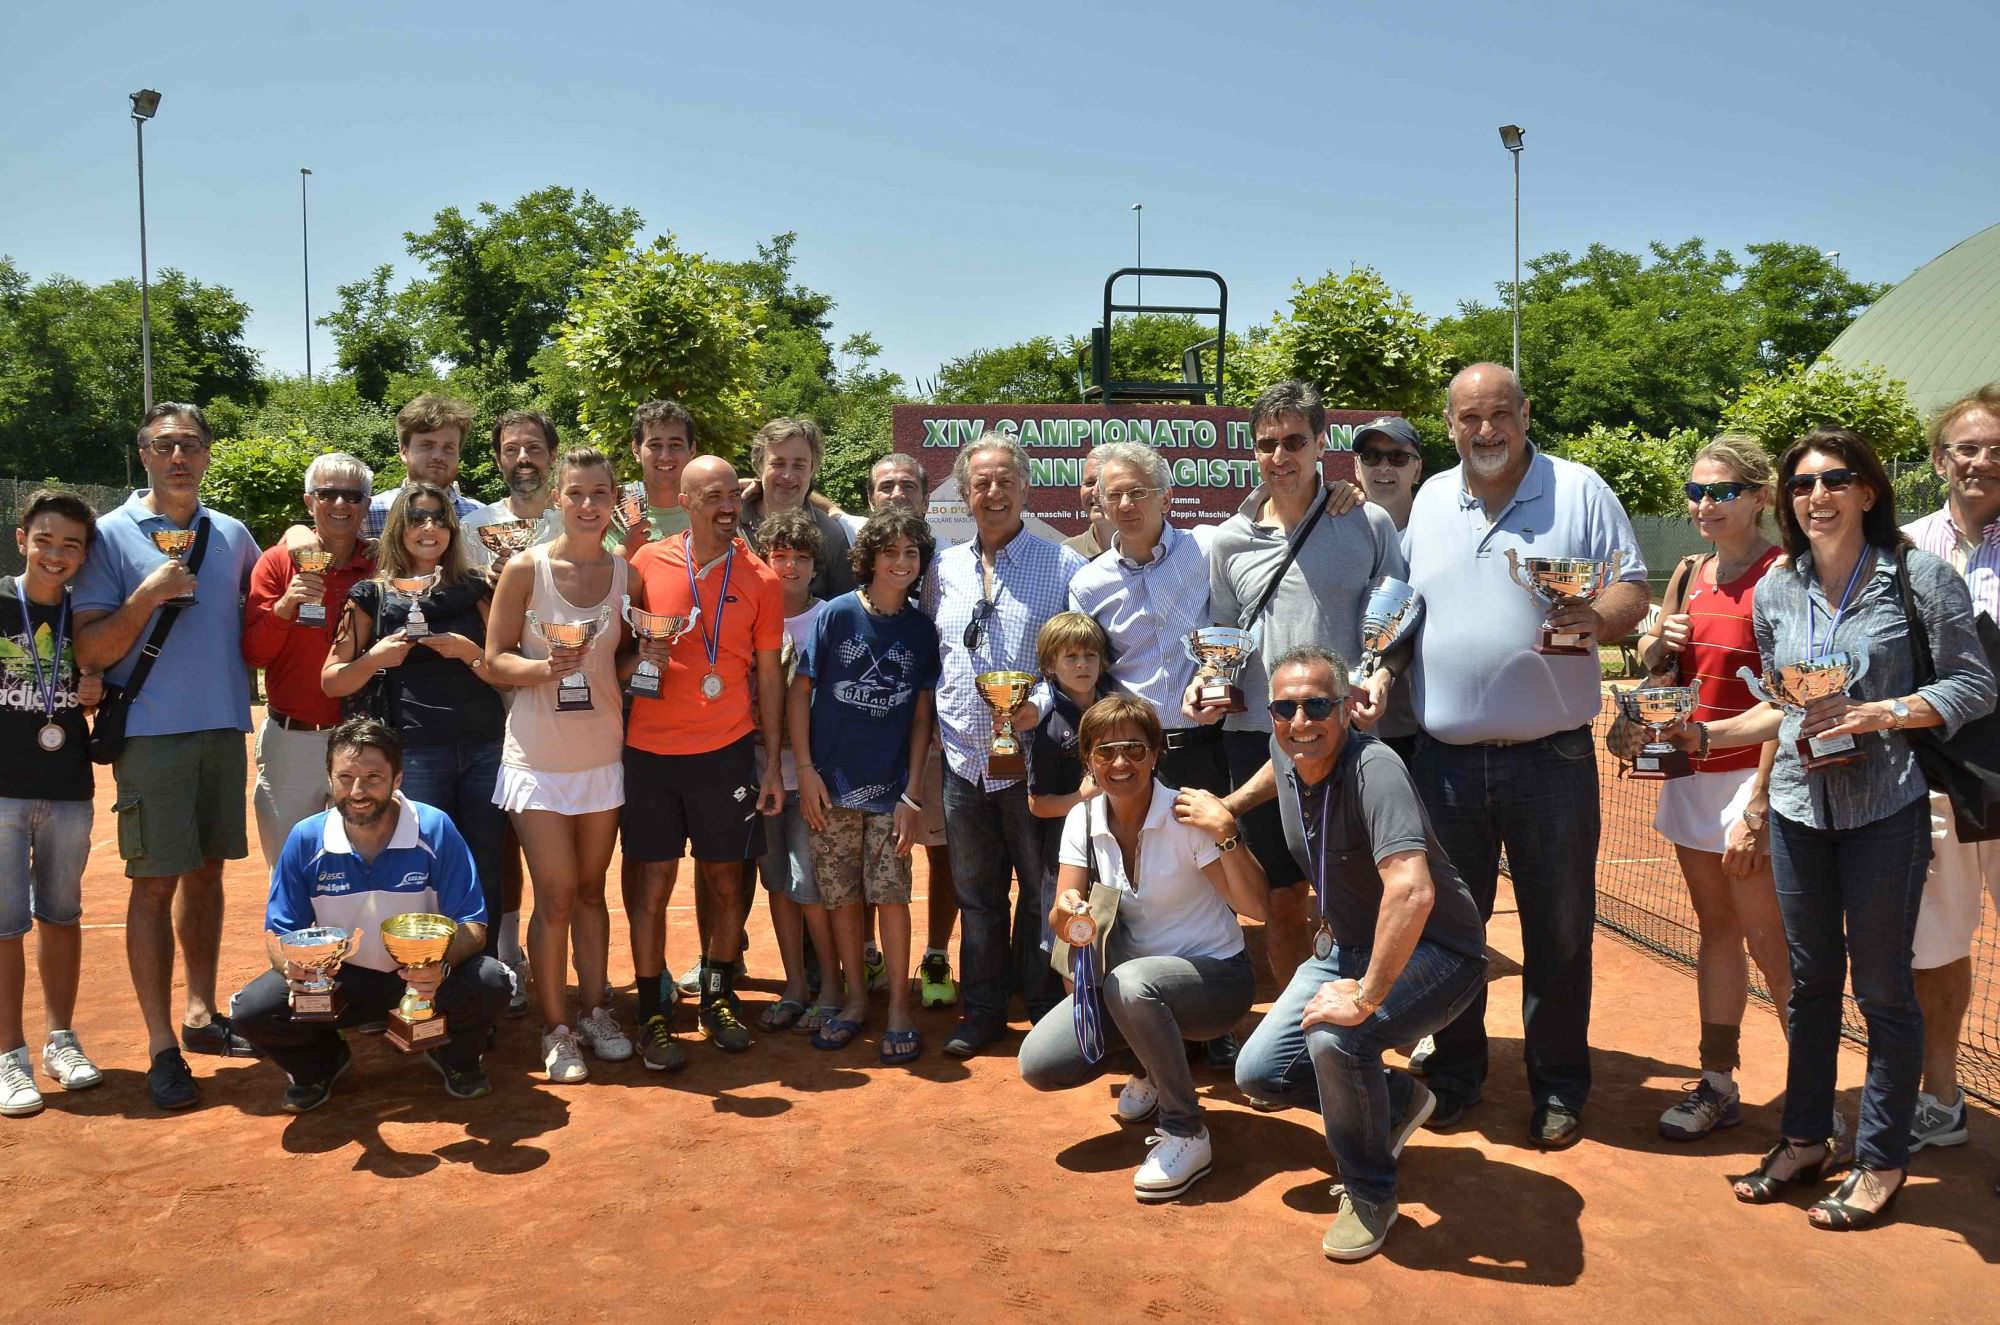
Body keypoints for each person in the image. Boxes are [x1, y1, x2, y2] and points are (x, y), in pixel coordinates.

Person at [1685, 428, 1994, 1230]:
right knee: (1811, 984)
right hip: (1796, 806)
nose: (1816, 495)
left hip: (1885, 807)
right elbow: (1779, 708)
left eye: (1833, 479)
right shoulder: (1780, 586)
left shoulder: (1916, 576)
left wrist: (1882, 712)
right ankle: (1805, 1137)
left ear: (1867, 490)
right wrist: (1701, 735)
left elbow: (1973, 682)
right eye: (1801, 483)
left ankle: (1883, 1157)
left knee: (1885, 987)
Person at [1399, 362, 1649, 1146]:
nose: (1485, 431)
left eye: (1499, 414)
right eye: (1469, 418)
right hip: (1443, 761)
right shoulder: (1432, 498)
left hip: (1552, 759)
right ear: (1449, 425)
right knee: (1453, 926)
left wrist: (1593, 615)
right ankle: (1457, 1070)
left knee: (1559, 929)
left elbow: (1634, 589)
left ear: (1524, 412)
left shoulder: (1580, 490)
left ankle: (1558, 1085)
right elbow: (1404, 608)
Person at [1222, 647, 1487, 1260]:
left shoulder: (1376, 769)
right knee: (1259, 1073)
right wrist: (1230, 807)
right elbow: (1277, 766)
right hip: (1346, 943)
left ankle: (1370, 1191)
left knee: (1339, 1039)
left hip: (1439, 952)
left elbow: (1412, 889)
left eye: (1317, 706)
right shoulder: (1285, 749)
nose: (1300, 722)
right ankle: (1393, 1101)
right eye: (1284, 709)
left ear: (1344, 710)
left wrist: (1365, 996)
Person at [74, 403, 264, 1110]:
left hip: (224, 726)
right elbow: (91, 648)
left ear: (208, 454)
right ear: (143, 455)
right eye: (164, 445)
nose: (178, 455)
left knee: (208, 875)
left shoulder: (233, 535)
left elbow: (261, 609)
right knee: (154, 883)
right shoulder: (110, 536)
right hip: (152, 734)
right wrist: (148, 595)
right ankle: (160, 1046)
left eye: (189, 444)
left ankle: (201, 1012)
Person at [1196, 381, 1406, 983]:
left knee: (1356, 892)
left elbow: (1394, 620)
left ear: (1321, 444)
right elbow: (1221, 634)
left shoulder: (1366, 522)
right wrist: (1209, 681)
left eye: (1294, 441)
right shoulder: (1229, 538)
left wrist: (1382, 674)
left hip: (1340, 736)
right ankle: (1295, 1047)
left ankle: (1360, 1027)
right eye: (1267, 444)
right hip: (1255, 733)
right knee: (1282, 899)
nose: (1279, 456)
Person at [1018, 695, 1267, 1201]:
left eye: (1134, 749)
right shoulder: (1082, 820)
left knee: (1130, 983)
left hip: (1217, 980)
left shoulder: (1185, 816)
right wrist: (1068, 910)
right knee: (1039, 1064)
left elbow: (1256, 907)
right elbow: (1060, 919)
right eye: (1104, 751)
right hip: (1134, 990)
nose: (1119, 763)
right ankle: (1153, 1067)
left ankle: (1186, 1130)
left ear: (1156, 754)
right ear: (1087, 759)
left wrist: (1226, 833)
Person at [1632, 437, 1792, 1140]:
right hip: (1688, 776)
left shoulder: (1783, 574)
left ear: (1759, 496)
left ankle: (1824, 1099)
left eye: (1722, 491)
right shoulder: (1691, 571)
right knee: (1717, 930)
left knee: (1775, 945)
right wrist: (1652, 645)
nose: (1705, 504)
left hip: (1752, 781)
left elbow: (1793, 696)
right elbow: (1660, 677)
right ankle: (1718, 1081)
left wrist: (1758, 802)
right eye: (1696, 492)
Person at [231, 719, 511, 1110]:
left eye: (373, 777)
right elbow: (279, 932)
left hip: (423, 980)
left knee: (491, 982)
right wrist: (296, 968)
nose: (358, 791)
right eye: (345, 777)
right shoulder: (306, 838)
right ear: (329, 777)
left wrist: (439, 964)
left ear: (397, 778)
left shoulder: (434, 827)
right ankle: (321, 1064)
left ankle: (457, 1059)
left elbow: (473, 925)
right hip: (342, 981)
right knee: (254, 1010)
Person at [929, 432, 1088, 1057]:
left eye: (1004, 482)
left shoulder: (1062, 567)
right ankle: (984, 1009)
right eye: (981, 483)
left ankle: (1042, 1004)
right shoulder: (941, 569)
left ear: (1026, 489)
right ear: (966, 493)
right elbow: (939, 661)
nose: (992, 493)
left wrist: (1037, 709)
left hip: (1034, 768)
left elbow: (1080, 664)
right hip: (963, 763)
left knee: (1042, 888)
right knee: (977, 895)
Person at [624, 455, 786, 1058]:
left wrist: (770, 764)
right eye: (711, 495)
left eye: (730, 495)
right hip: (648, 752)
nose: (725, 505)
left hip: (725, 752)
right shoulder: (645, 561)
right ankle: (650, 1010)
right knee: (653, 884)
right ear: (686, 501)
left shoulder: (761, 578)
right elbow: (617, 647)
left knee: (723, 880)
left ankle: (718, 993)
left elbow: (769, 676)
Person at [486, 448, 634, 1082]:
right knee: (554, 897)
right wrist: (545, 669)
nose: (588, 504)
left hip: (601, 755)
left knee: (592, 893)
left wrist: (647, 655)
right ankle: (556, 1029)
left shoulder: (627, 572)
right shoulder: (525, 568)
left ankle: (596, 1008)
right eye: (576, 493)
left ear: (613, 500)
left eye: (600, 493)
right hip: (537, 760)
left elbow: (619, 665)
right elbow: (493, 660)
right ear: (557, 499)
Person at [321, 484, 508, 965]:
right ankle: (421, 975)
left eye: (439, 519)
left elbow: (505, 673)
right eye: (418, 519)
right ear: (399, 528)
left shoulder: (477, 590)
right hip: (417, 754)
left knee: (489, 863)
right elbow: (332, 680)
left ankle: (480, 979)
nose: (429, 529)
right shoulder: (371, 596)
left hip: (485, 749)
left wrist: (470, 654)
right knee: (422, 866)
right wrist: (375, 658)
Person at [792, 508, 942, 1062]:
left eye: (911, 553)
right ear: (870, 557)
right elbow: (799, 693)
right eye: (891, 551)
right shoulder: (834, 615)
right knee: (843, 899)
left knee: (892, 896)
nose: (901, 562)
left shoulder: (921, 630)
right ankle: (856, 1002)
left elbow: (922, 718)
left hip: (890, 794)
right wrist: (806, 772)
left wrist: (910, 795)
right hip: (830, 790)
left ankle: (899, 1008)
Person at [1902, 384, 2000, 1155]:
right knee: (1933, 947)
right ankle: (1939, 1097)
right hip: (1935, 782)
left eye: (1996, 448)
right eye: (1967, 447)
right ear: (1940, 460)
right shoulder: (1900, 548)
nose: (1981, 460)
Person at [837, 452, 961, 1009]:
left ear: (926, 498)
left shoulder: (945, 566)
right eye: (884, 486)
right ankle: (868, 955)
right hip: (865, 743)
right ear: (870, 499)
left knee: (939, 852)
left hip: (928, 736)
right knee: (867, 850)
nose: (895, 493)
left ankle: (935, 955)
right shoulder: (860, 564)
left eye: (907, 486)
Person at [0, 492, 106, 1116]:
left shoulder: (87, 614)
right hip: (2, 789)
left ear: (84, 555)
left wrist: (93, 688)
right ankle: (9, 1055)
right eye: (45, 540)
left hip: (68, 787)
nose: (56, 554)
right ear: (22, 539)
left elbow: (108, 682)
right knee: (5, 924)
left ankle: (60, 1040)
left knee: (62, 915)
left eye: (71, 544)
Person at [1068, 441, 1228, 798]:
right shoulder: (1088, 585)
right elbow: (1085, 675)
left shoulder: (1208, 547)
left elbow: (1273, 525)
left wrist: (1337, 490)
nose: (1126, 505)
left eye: (1138, 492)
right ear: (1104, 506)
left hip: (1211, 746)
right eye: (1115, 495)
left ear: (1166, 499)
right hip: (1132, 758)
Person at [244, 453, 376, 871]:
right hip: (294, 742)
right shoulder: (278, 562)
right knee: (291, 872)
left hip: (364, 740)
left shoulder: (380, 565)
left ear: (366, 506)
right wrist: (286, 606)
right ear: (309, 502)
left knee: (365, 872)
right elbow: (254, 653)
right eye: (328, 494)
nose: (340, 504)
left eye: (352, 495)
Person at [750, 509, 836, 1034]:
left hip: (811, 775)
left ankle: (830, 985)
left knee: (813, 885)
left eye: (801, 558)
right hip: (760, 771)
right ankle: (794, 985)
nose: (789, 567)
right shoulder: (748, 615)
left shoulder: (830, 617)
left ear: (815, 566)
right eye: (779, 556)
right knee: (778, 882)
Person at [1026, 611, 1116, 966]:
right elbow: (1038, 804)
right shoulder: (1050, 727)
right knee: (1069, 934)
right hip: (1067, 852)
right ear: (1051, 666)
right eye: (1071, 657)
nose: (1083, 665)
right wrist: (1083, 796)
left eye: (1090, 655)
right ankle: (1072, 1010)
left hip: (1117, 844)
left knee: (1116, 931)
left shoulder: (1115, 708)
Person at [741, 417, 855, 601]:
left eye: (799, 466)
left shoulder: (831, 535)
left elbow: (842, 611)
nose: (787, 475)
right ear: (759, 465)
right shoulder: (730, 522)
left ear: (812, 469)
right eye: (778, 464)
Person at [363, 394, 486, 538]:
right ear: (404, 451)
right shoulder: (368, 515)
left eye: (448, 447)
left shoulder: (481, 517)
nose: (438, 456)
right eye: (427, 445)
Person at [461, 409, 563, 570]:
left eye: (534, 447)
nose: (523, 457)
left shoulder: (574, 522)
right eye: (511, 449)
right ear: (498, 461)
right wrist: (483, 584)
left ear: (553, 454)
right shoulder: (471, 528)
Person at [614, 398, 697, 554]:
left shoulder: (709, 507)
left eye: (675, 445)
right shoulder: (614, 509)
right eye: (655, 445)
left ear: (692, 450)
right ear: (635, 450)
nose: (665, 456)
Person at [1352, 416, 1424, 532]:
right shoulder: (1338, 534)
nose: (1383, 467)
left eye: (1397, 456)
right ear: (1356, 467)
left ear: (1417, 469)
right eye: (1370, 456)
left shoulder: (1439, 529)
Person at [1062, 446, 1114, 560]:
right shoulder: (1065, 555)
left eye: (1106, 483)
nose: (1095, 492)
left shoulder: (1152, 551)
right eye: (1090, 483)